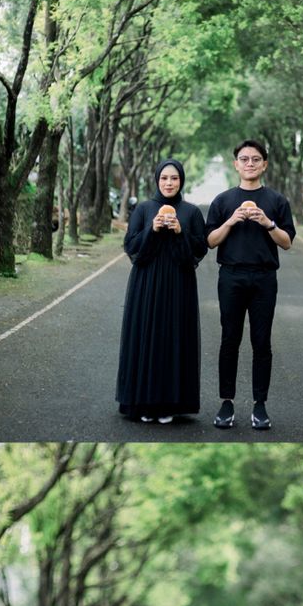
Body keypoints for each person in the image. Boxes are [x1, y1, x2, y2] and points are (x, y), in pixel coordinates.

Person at [205, 141, 296, 431]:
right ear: (236, 164)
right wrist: (232, 220)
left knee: (262, 342)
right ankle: (226, 402)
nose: (250, 163)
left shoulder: (277, 201)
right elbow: (210, 241)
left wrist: (268, 223)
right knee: (229, 339)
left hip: (264, 278)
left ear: (264, 164)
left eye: (256, 159)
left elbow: (287, 242)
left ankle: (260, 405)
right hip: (231, 276)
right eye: (244, 159)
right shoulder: (223, 201)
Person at [116, 159, 207, 424]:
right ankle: (143, 402)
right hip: (145, 283)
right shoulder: (144, 209)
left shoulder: (190, 212)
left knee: (173, 338)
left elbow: (200, 249)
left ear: (182, 181)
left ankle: (169, 404)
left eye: (175, 178)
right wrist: (152, 229)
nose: (169, 183)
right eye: (165, 178)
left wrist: (180, 232)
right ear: (157, 180)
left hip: (180, 284)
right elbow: (131, 247)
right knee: (145, 337)